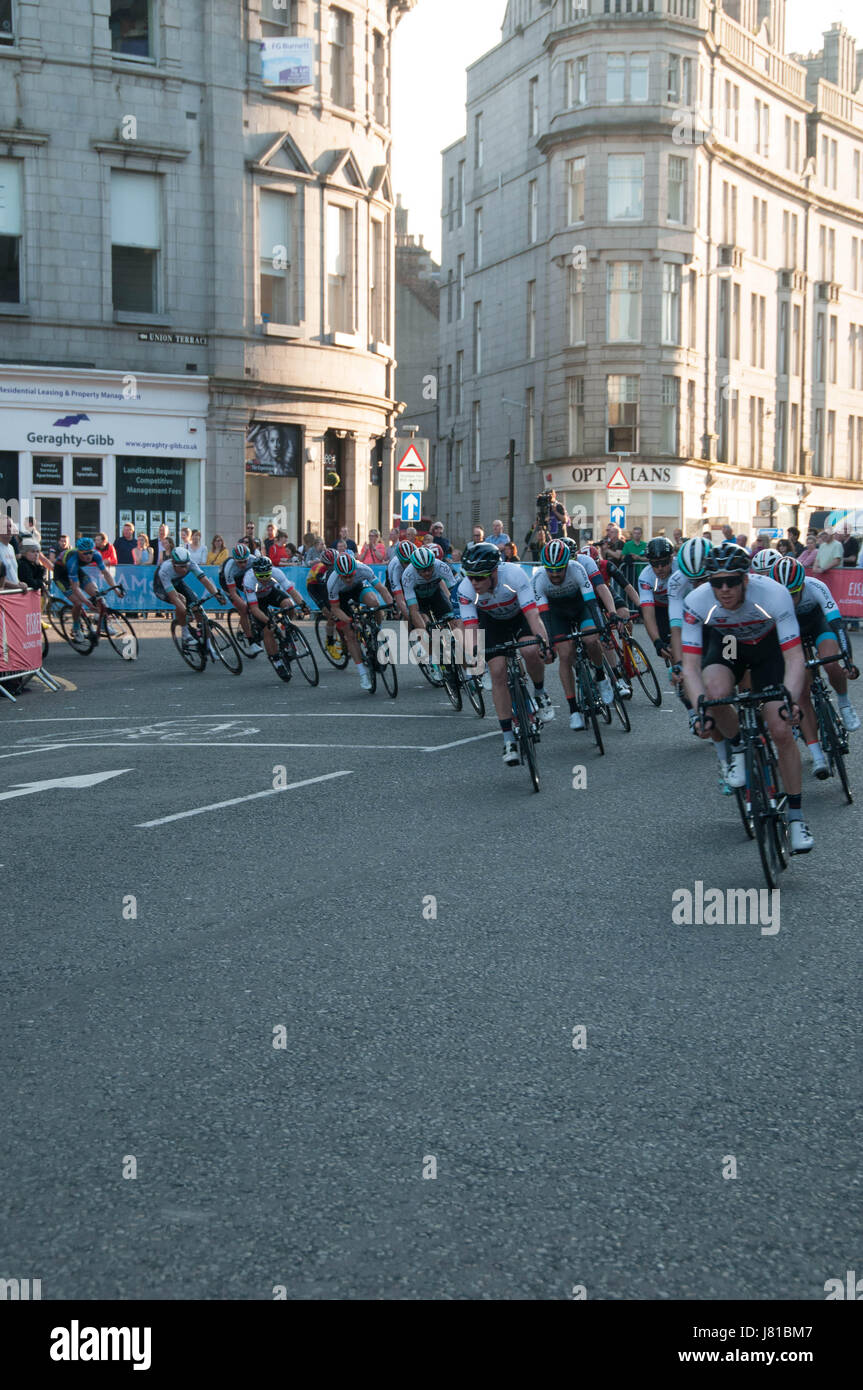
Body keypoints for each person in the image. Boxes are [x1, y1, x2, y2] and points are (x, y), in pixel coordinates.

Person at [682, 542, 813, 854]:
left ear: (746, 579)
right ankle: (740, 745)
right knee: (715, 695)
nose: (724, 589)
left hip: (769, 651)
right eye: (716, 583)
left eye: (731, 581)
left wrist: (791, 701)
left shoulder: (773, 595)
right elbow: (689, 666)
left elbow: (795, 659)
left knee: (781, 729)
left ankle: (796, 819)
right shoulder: (696, 602)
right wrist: (702, 710)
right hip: (728, 645)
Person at [457, 542, 554, 764]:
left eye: (479, 577)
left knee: (531, 650)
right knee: (498, 671)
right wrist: (476, 656)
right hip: (492, 624)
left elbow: (533, 616)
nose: (474, 582)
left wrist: (545, 644)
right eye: (470, 576)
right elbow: (471, 629)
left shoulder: (514, 575)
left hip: (519, 617)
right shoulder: (466, 589)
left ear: (494, 572)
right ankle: (508, 738)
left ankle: (540, 692)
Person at [532, 539, 610, 730]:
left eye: (559, 569)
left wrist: (603, 630)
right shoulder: (538, 578)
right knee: (565, 655)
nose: (555, 574)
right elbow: (544, 616)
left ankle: (601, 677)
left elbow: (591, 603)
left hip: (580, 607)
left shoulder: (577, 569)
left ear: (567, 564)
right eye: (551, 569)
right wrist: (549, 645)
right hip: (557, 614)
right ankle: (574, 710)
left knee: (591, 639)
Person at [325, 552, 393, 691]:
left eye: (351, 575)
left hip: (358, 588)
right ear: (339, 574)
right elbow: (336, 609)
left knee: (374, 603)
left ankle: (377, 630)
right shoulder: (332, 582)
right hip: (341, 599)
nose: (349, 579)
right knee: (349, 634)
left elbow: (382, 589)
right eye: (345, 576)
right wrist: (349, 620)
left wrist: (391, 605)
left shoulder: (363, 569)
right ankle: (362, 673)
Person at [152, 545, 225, 649]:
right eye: (181, 566)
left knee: (197, 608)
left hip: (178, 583)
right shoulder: (165, 570)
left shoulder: (190, 563)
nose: (185, 569)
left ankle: (208, 645)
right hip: (162, 588)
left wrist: (216, 594)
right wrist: (186, 613)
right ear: (173, 563)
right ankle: (185, 634)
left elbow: (204, 580)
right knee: (181, 600)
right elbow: (174, 597)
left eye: (186, 565)